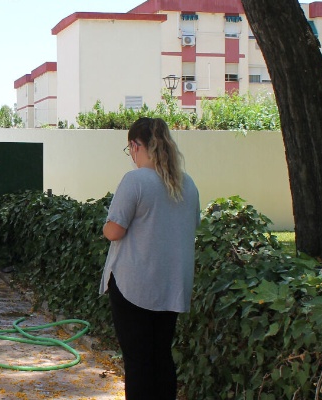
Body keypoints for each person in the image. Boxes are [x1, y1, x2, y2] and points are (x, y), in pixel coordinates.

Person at [100, 117, 199, 400]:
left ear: (135, 145)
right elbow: (192, 224)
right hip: (171, 284)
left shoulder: (136, 180)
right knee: (161, 356)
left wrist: (105, 226)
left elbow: (114, 231)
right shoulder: (186, 183)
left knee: (138, 361)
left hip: (135, 285)